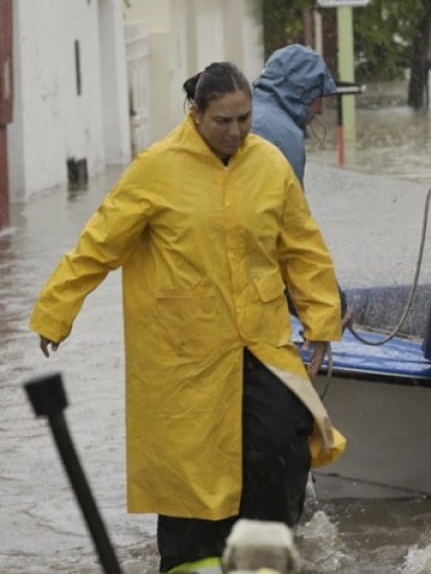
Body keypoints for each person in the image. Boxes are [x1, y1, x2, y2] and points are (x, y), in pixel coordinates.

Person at [30, 62, 346, 573]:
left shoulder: (268, 164)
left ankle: (266, 558)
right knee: (189, 473)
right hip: (184, 355)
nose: (237, 131)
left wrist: (322, 323)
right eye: (224, 121)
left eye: (244, 118)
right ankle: (190, 563)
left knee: (281, 446)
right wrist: (56, 310)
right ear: (195, 114)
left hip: (260, 342)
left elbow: (302, 248)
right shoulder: (157, 167)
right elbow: (100, 243)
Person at [250, 43, 338, 185]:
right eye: (318, 96)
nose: (321, 110)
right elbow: (291, 204)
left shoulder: (243, 111)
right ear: (303, 92)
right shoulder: (286, 136)